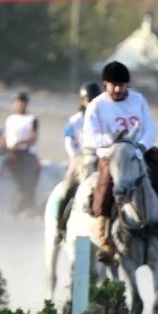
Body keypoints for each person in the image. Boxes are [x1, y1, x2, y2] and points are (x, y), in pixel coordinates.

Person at [83, 61, 158, 260]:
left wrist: (141, 146)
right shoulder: (97, 105)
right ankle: (106, 245)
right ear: (105, 84)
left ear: (127, 85)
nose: (117, 89)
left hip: (140, 152)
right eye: (113, 85)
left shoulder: (138, 100)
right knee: (102, 198)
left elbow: (150, 128)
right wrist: (111, 142)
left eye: (121, 85)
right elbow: (89, 136)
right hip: (112, 156)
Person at [56, 81, 102, 234]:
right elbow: (69, 140)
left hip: (101, 157)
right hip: (80, 157)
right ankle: (60, 223)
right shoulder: (75, 120)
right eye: (88, 99)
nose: (91, 102)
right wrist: (75, 156)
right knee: (68, 186)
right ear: (83, 101)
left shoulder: (103, 118)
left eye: (94, 99)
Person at [0, 91, 40, 213]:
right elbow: (5, 135)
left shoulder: (31, 119)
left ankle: (27, 202)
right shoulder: (10, 119)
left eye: (22, 102)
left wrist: (20, 143)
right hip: (10, 153)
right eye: (17, 102)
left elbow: (33, 137)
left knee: (26, 178)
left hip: (25, 154)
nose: (19, 104)